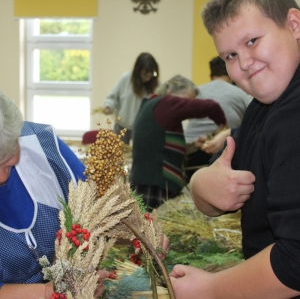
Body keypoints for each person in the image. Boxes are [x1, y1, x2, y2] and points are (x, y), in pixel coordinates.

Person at [170, 0, 300, 298]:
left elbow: (295, 261)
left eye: (252, 41)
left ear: (294, 25)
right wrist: (203, 184)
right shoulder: (261, 108)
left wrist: (212, 289)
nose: (243, 63)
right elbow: (219, 168)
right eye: (230, 55)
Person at [0, 90, 170, 298]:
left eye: (7, 161)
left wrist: (140, 231)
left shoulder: (42, 147)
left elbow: (99, 212)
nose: (1, 176)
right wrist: (46, 292)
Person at [130, 75, 227, 211]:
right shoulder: (165, 104)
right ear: (170, 90)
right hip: (154, 185)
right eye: (187, 100)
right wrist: (224, 128)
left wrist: (193, 146)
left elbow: (160, 147)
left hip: (149, 183)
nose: (188, 105)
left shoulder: (155, 108)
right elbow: (212, 107)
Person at [184, 56, 252, 180]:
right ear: (231, 75)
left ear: (211, 75)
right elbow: (250, 123)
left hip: (190, 155)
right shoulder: (241, 94)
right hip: (224, 155)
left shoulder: (197, 91)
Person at [102, 52, 159, 144]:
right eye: (145, 75)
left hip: (143, 129)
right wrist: (108, 106)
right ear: (138, 71)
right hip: (122, 125)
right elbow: (113, 98)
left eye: (151, 75)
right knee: (119, 155)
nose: (148, 78)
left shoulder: (156, 86)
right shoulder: (126, 79)